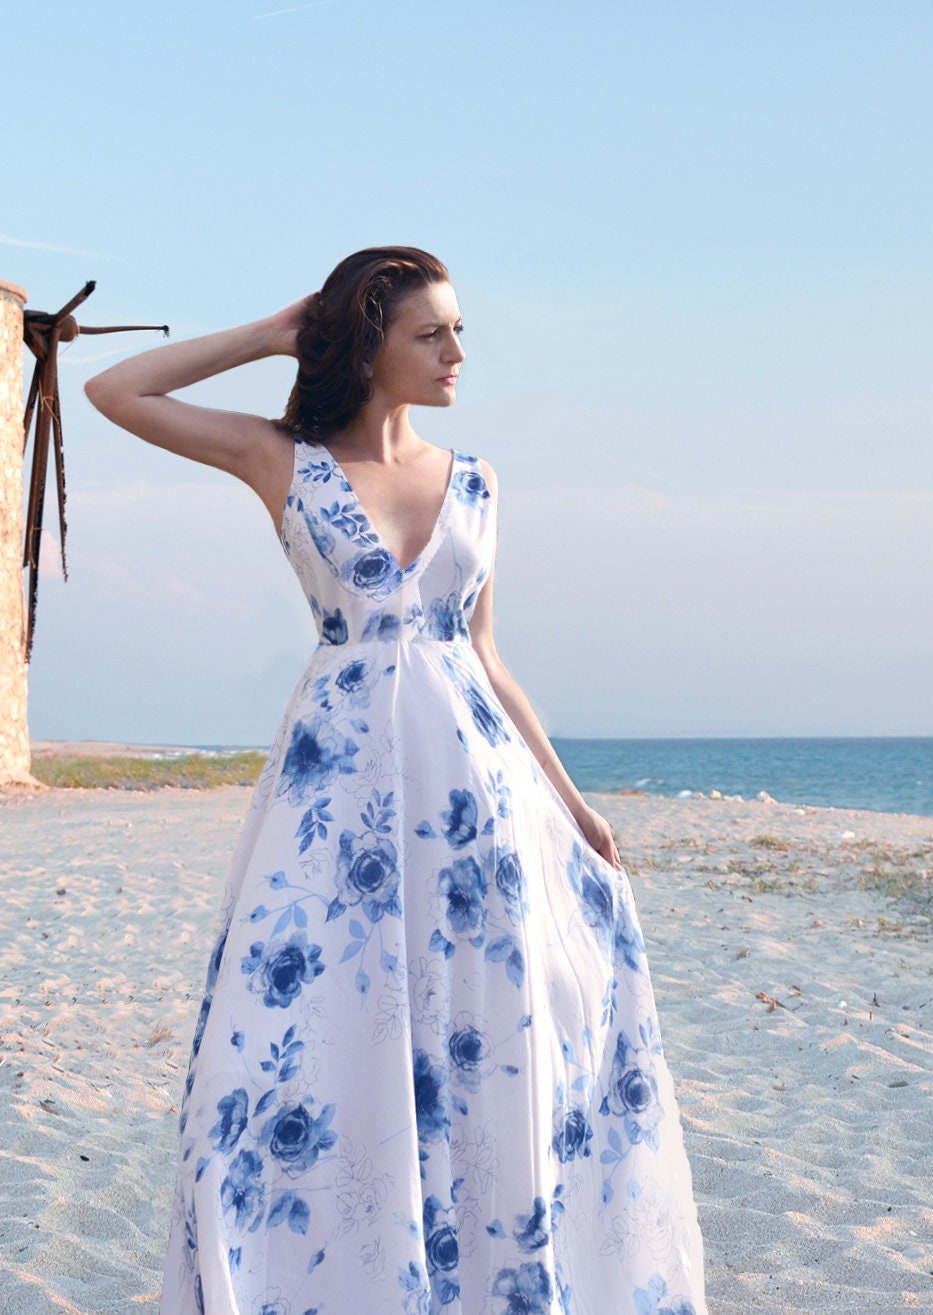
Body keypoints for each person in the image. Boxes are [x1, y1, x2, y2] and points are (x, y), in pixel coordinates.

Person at [85, 247, 709, 1315]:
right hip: (334, 799)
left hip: (479, 804)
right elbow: (112, 389)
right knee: (306, 1041)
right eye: (430, 333)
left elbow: (485, 654)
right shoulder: (280, 458)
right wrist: (269, 331)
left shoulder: (474, 479)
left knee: (491, 1044)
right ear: (369, 343)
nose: (457, 352)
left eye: (458, 330)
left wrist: (572, 802)